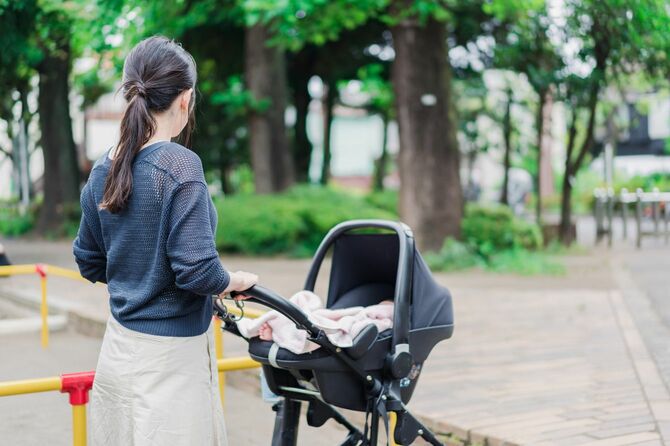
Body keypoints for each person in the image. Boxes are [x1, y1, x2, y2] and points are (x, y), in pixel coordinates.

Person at [73, 36, 258, 446]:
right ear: (185, 99)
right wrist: (233, 280)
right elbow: (197, 269)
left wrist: (138, 279)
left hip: (119, 351)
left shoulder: (104, 167)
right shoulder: (179, 165)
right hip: (171, 361)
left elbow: (87, 260)